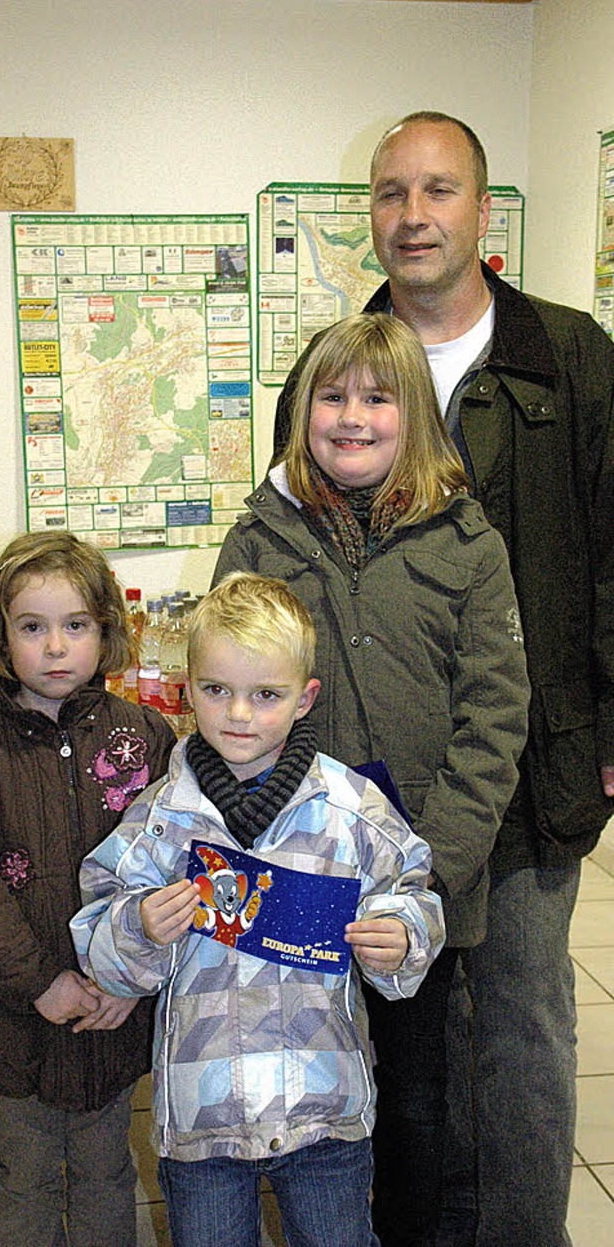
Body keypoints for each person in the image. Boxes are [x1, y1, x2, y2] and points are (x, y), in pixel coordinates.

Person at [271, 112, 614, 1247]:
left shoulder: (570, 356)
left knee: (518, 1019)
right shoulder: (334, 366)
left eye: (437, 190)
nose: (411, 216)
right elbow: (288, 560)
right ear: (368, 214)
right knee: (400, 1027)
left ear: (481, 209)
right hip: (369, 779)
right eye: (388, 193)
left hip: (531, 759)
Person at [212, 311, 531, 1245]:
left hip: (412, 889)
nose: (352, 416)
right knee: (299, 1095)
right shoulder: (262, 540)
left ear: (416, 416)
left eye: (378, 398)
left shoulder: (468, 546)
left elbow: (494, 720)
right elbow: (225, 701)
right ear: (302, 409)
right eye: (332, 395)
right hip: (290, 878)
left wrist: (431, 875)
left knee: (415, 1099)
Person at [71, 571, 446, 1247]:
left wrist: (404, 936)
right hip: (203, 1120)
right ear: (188, 690)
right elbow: (100, 930)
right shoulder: (162, 818)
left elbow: (413, 889)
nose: (238, 715)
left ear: (305, 699)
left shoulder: (349, 808)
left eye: (265, 696)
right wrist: (138, 927)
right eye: (217, 691)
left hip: (324, 1109)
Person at [0, 531, 176, 1247]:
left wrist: (131, 979)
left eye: (75, 626)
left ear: (105, 631)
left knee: (106, 1170)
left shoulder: (146, 735)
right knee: (25, 1174)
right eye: (33, 628)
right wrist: (39, 982)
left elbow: (176, 863)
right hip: (16, 1019)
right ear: (0, 635)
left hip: (112, 1019)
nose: (56, 648)